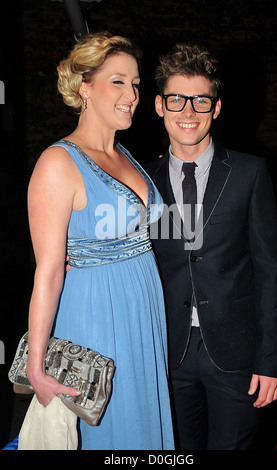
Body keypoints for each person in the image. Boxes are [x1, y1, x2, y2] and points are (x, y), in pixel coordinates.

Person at [24, 32, 174, 450]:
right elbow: (50, 271)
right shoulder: (58, 162)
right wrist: (36, 367)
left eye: (136, 83)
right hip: (98, 317)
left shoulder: (126, 155)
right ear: (84, 88)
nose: (132, 94)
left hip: (143, 312)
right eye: (118, 81)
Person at [146, 43, 277, 450]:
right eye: (176, 99)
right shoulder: (141, 179)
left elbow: (271, 271)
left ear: (217, 107)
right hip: (168, 353)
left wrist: (271, 359)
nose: (188, 112)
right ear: (160, 105)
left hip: (236, 354)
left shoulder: (249, 172)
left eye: (200, 100)